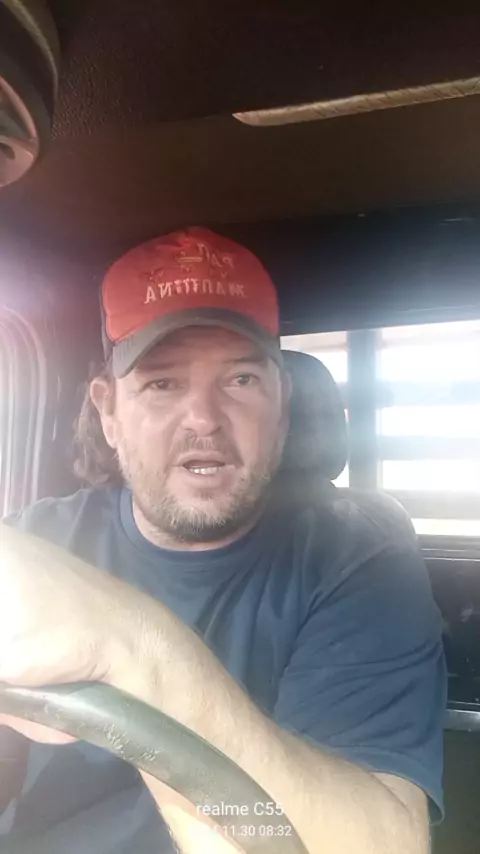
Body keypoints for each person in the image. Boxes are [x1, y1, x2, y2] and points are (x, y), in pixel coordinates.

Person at [0, 226, 446, 853]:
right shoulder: (37, 541)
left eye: (240, 380)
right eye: (162, 383)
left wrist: (135, 648)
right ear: (109, 412)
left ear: (282, 405)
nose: (205, 419)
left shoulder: (356, 558)